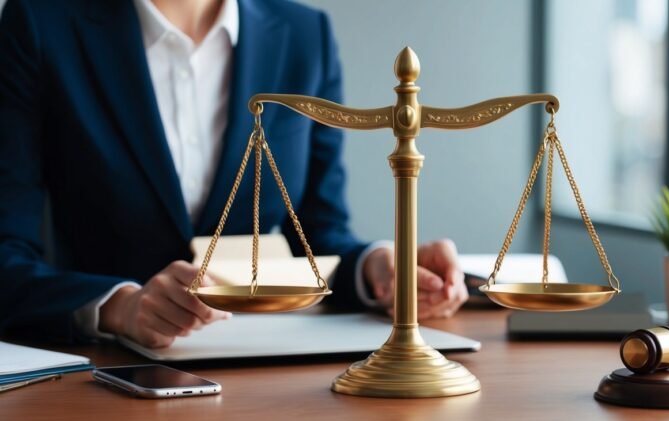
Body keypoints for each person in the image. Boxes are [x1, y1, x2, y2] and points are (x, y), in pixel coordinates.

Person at [0, 0, 469, 348]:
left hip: (265, 365)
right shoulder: (42, 23)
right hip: (108, 373)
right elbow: (7, 255)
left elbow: (320, 235)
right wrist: (120, 306)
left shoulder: (305, 35)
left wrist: (382, 269)